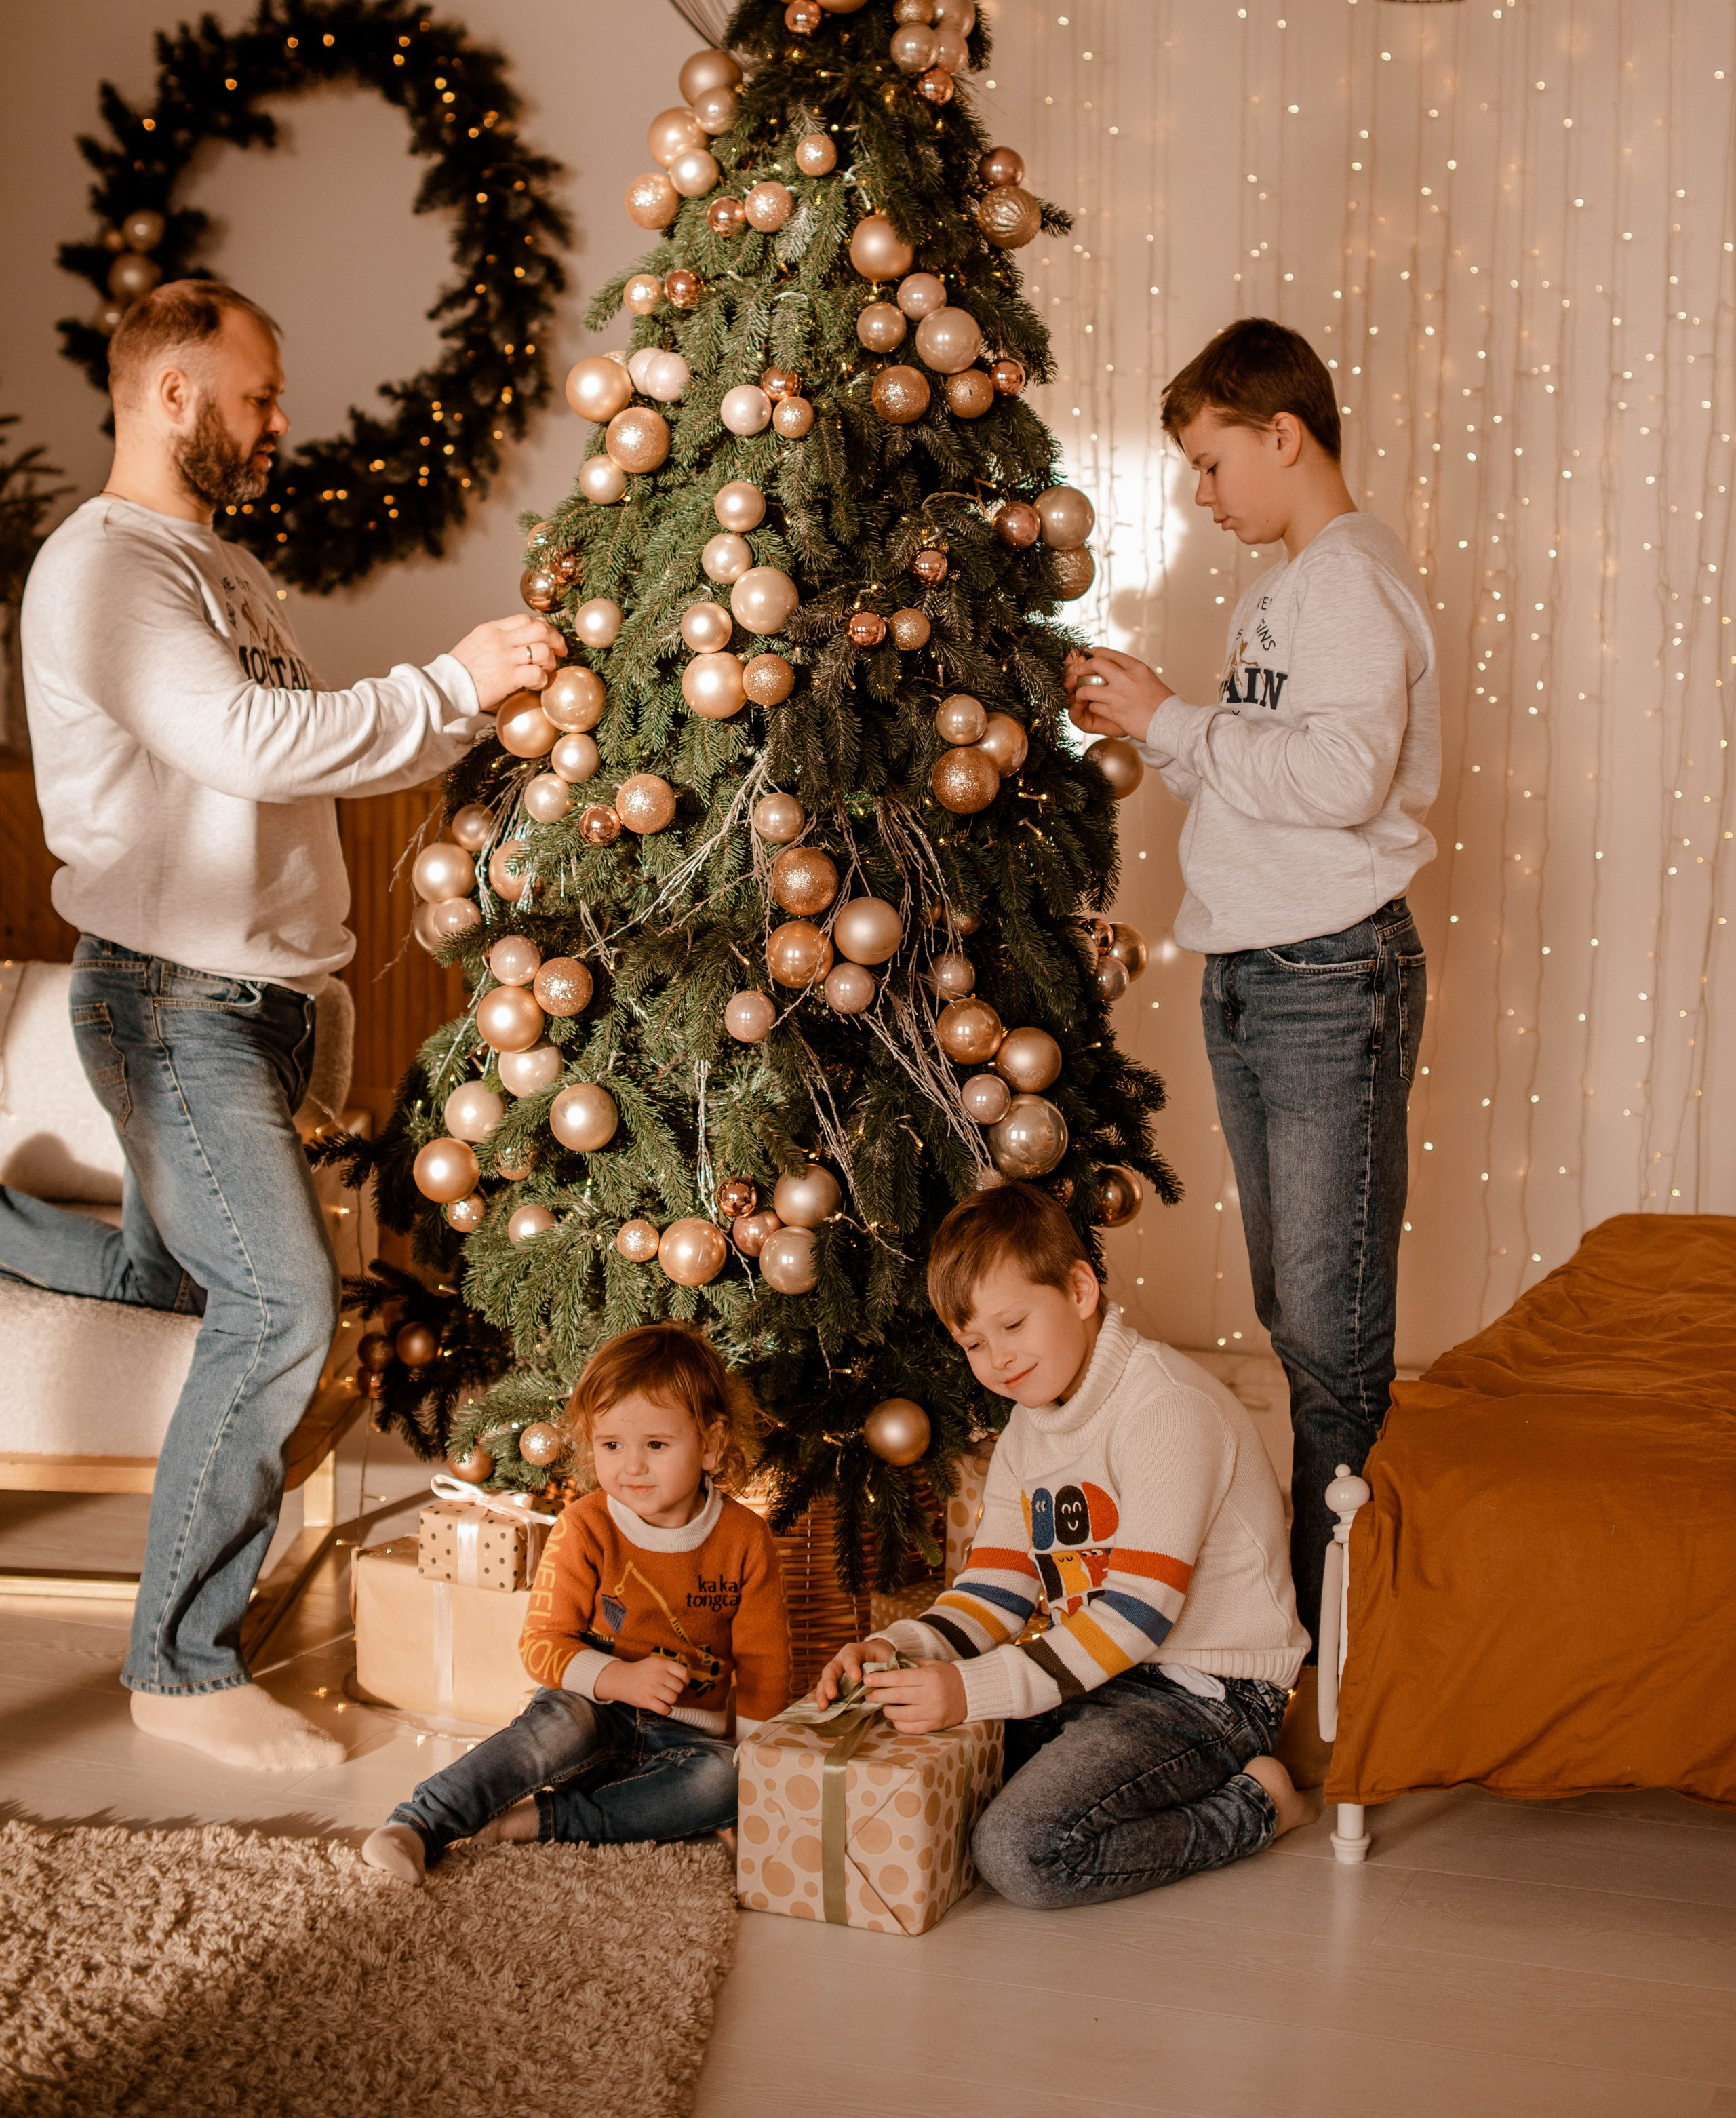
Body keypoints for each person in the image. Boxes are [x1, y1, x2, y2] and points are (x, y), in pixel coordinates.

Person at [4, 279, 566, 1773]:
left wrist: (480, 700)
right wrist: (454, 674)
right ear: (172, 391)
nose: (279, 418)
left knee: (168, 1273)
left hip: (254, 1013)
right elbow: (248, 744)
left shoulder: (218, 570)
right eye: (258, 391)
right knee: (281, 1306)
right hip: (179, 1005)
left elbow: (311, 754)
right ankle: (177, 1669)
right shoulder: (104, 567)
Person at [1063, 317, 1438, 1771]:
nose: (1201, 496)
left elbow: (1340, 781)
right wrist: (1164, 724)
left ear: (1283, 432)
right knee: (1299, 1325)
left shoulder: (1345, 579)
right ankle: (1288, 1640)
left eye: (1214, 462)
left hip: (1322, 975)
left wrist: (1173, 721)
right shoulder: (1297, 585)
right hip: (1262, 972)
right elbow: (1275, 755)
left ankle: (1328, 1672)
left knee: (1328, 1342)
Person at [816, 1183, 1311, 1910]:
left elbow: (1140, 1618)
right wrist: (906, 1649)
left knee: (1020, 1851)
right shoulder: (1028, 1429)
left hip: (1206, 1692)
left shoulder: (1166, 1410)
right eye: (974, 1343)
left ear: (1079, 1290)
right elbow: (995, 1587)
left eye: (1013, 1323)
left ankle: (1259, 1807)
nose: (998, 1359)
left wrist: (971, 1689)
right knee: (925, 1755)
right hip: (1104, 1672)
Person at [363, 1325, 790, 1883]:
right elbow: (541, 1645)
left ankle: (544, 1820)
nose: (631, 1466)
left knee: (725, 1783)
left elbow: (765, 1661)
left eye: (656, 1445)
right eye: (612, 1445)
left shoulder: (745, 1537)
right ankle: (418, 1823)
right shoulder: (585, 1524)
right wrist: (618, 1678)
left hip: (687, 1740)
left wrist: (757, 1762)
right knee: (560, 1727)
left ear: (710, 1444)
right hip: (593, 1714)